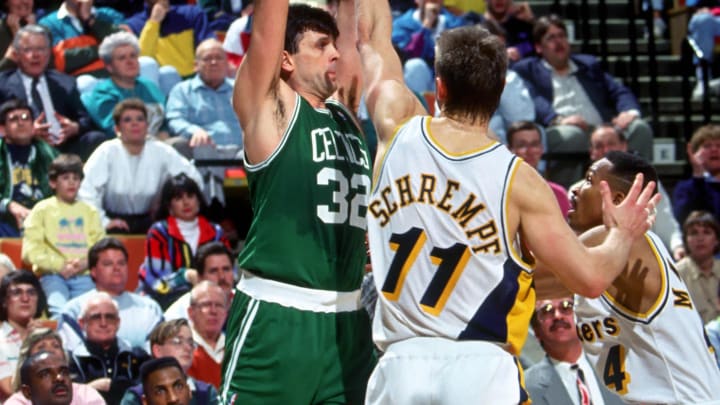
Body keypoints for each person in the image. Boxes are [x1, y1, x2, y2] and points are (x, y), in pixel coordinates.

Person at [356, 0, 659, 401]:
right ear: (500, 92)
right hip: (479, 369)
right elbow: (590, 277)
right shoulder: (520, 181)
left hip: (399, 366)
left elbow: (372, 40)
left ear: (439, 87)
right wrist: (623, 233)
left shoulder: (396, 127)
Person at [220, 1, 376, 403]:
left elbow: (354, 31)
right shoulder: (272, 109)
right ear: (286, 59)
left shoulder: (346, 113)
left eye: (334, 46)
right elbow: (267, 27)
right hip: (278, 316)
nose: (335, 53)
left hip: (349, 321)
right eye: (321, 45)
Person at [565, 151, 720, 403]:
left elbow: (544, 261)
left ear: (617, 199)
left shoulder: (623, 243)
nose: (575, 189)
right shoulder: (615, 248)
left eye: (589, 180)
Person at [512, 15, 653, 187]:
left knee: (640, 128)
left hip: (602, 128)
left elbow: (617, 89)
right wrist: (558, 119)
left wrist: (628, 111)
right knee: (572, 136)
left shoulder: (588, 64)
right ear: (539, 47)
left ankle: (639, 190)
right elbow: (533, 100)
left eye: (562, 35)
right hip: (561, 127)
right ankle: (567, 199)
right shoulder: (528, 70)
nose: (558, 42)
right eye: (551, 38)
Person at [78, 99, 203, 234]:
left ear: (147, 126)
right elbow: (86, 191)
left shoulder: (162, 151)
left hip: (151, 221)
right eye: (127, 120)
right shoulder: (106, 151)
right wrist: (103, 222)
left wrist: (168, 208)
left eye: (140, 119)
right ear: (117, 129)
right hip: (112, 222)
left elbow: (194, 179)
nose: (134, 123)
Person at [571, 124, 684, 258]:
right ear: (591, 151)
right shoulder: (577, 190)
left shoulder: (645, 186)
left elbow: (666, 223)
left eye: (611, 144)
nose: (605, 150)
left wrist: (677, 246)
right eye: (599, 146)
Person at [0, 25, 108, 160]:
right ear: (16, 54)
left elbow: (85, 119)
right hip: (24, 149)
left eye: (41, 49)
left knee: (96, 139)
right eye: (28, 50)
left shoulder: (65, 82)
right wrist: (26, 131)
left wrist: (74, 127)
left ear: (49, 53)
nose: (35, 55)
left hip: (64, 149)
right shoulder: (3, 84)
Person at [22, 154, 105, 317]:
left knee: (88, 313)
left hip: (84, 274)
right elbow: (30, 252)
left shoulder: (90, 212)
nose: (72, 182)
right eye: (66, 177)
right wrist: (60, 266)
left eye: (76, 178)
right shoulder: (42, 210)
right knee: (59, 311)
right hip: (53, 275)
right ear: (53, 182)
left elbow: (100, 248)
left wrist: (84, 264)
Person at [139, 173, 230, 308]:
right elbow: (159, 282)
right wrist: (185, 276)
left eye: (190, 196)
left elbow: (229, 272)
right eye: (178, 198)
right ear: (169, 206)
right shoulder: (159, 232)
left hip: (211, 298)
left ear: (199, 201)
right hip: (166, 300)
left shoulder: (216, 232)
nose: (186, 202)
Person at [58, 237, 164, 351]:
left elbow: (159, 353)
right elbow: (71, 357)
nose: (116, 268)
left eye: (121, 263)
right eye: (108, 264)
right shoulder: (73, 310)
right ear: (93, 271)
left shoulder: (150, 308)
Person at [526, 295, 625, 405]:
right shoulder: (526, 387)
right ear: (536, 332)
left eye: (566, 307)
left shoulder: (619, 366)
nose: (557, 316)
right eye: (547, 311)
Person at [81, 31, 170, 138]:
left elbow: (167, 119)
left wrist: (165, 132)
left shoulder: (149, 86)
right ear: (109, 66)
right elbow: (115, 130)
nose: (129, 61)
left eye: (133, 56)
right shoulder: (102, 94)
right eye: (122, 58)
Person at [67, 291, 150, 405]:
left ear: (118, 322)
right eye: (96, 317)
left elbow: (149, 390)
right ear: (82, 323)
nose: (103, 323)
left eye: (109, 317)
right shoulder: (72, 361)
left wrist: (112, 385)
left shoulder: (137, 355)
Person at [165, 38, 242, 156]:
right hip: (204, 150)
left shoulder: (242, 89)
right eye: (207, 58)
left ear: (227, 63)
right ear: (196, 65)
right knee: (202, 149)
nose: (214, 62)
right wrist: (194, 131)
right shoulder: (182, 91)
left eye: (219, 58)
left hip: (241, 150)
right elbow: (175, 119)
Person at [119, 319, 219, 404]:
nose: (187, 347)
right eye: (177, 341)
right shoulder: (135, 396)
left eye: (190, 342)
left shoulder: (207, 392)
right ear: (157, 350)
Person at [0, 99, 57, 237]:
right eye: (13, 119)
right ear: (2, 129)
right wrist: (9, 205)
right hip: (6, 218)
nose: (21, 123)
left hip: (45, 217)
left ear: (33, 125)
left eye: (26, 118)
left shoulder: (47, 153)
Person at [4, 328, 106, 405]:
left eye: (56, 346)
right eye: (45, 374)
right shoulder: (16, 403)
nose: (59, 378)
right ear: (28, 391)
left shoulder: (86, 395)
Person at [391, 0, 469, 94]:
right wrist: (426, 25)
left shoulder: (455, 24)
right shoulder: (401, 24)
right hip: (417, 83)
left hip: (445, 83)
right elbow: (408, 55)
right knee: (415, 66)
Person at [126, 0, 214, 78]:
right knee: (165, 73)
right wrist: (153, 23)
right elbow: (142, 61)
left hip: (194, 79)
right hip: (158, 85)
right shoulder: (133, 25)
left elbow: (210, 49)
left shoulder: (192, 13)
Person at [37, 0, 124, 78]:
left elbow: (125, 45)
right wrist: (107, 49)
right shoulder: (48, 24)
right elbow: (60, 62)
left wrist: (89, 19)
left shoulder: (110, 15)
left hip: (117, 78)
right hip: (78, 85)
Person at [0, 271, 49, 401]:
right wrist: (29, 344)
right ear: (4, 301)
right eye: (17, 293)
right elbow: (10, 389)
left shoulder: (50, 338)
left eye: (31, 293)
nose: (25, 299)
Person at [506, 120, 570, 217]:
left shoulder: (558, 193)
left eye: (534, 144)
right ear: (509, 150)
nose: (530, 151)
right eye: (522, 145)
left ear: (541, 149)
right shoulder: (501, 192)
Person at [164, 241, 235, 322]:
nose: (222, 277)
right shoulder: (178, 314)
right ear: (199, 277)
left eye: (226, 269)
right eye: (213, 271)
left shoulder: (247, 303)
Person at [675, 210, 720, 324]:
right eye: (694, 233)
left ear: (716, 240)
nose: (700, 238)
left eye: (707, 232)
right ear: (686, 240)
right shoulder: (676, 274)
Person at [673, 124, 720, 226]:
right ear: (694, 153)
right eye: (707, 146)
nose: (714, 150)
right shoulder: (685, 188)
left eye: (719, 145)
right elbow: (682, 218)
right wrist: (698, 177)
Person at [186, 281, 226, 389]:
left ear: (226, 313)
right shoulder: (182, 351)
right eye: (206, 304)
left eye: (219, 305)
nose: (213, 311)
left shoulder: (237, 348)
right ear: (191, 312)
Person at [0, 0, 37, 71]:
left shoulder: (44, 31)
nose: (25, 1)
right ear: (6, 2)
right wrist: (17, 35)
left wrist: (33, 32)